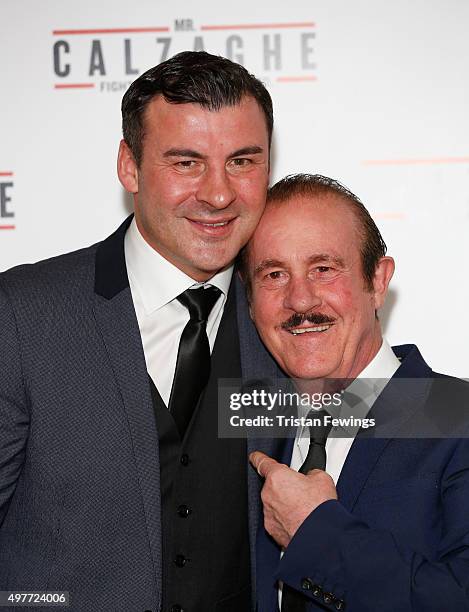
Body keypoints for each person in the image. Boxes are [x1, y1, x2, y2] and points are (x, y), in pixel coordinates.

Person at [0, 51, 282, 612]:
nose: (219, 194)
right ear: (129, 166)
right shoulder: (22, 316)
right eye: (186, 163)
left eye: (243, 162)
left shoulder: (284, 320)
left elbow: (392, 413)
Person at [240, 174, 469, 611]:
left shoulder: (457, 418)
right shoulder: (248, 429)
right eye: (274, 274)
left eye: (323, 269)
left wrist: (318, 536)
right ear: (250, 304)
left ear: (378, 281)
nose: (301, 300)